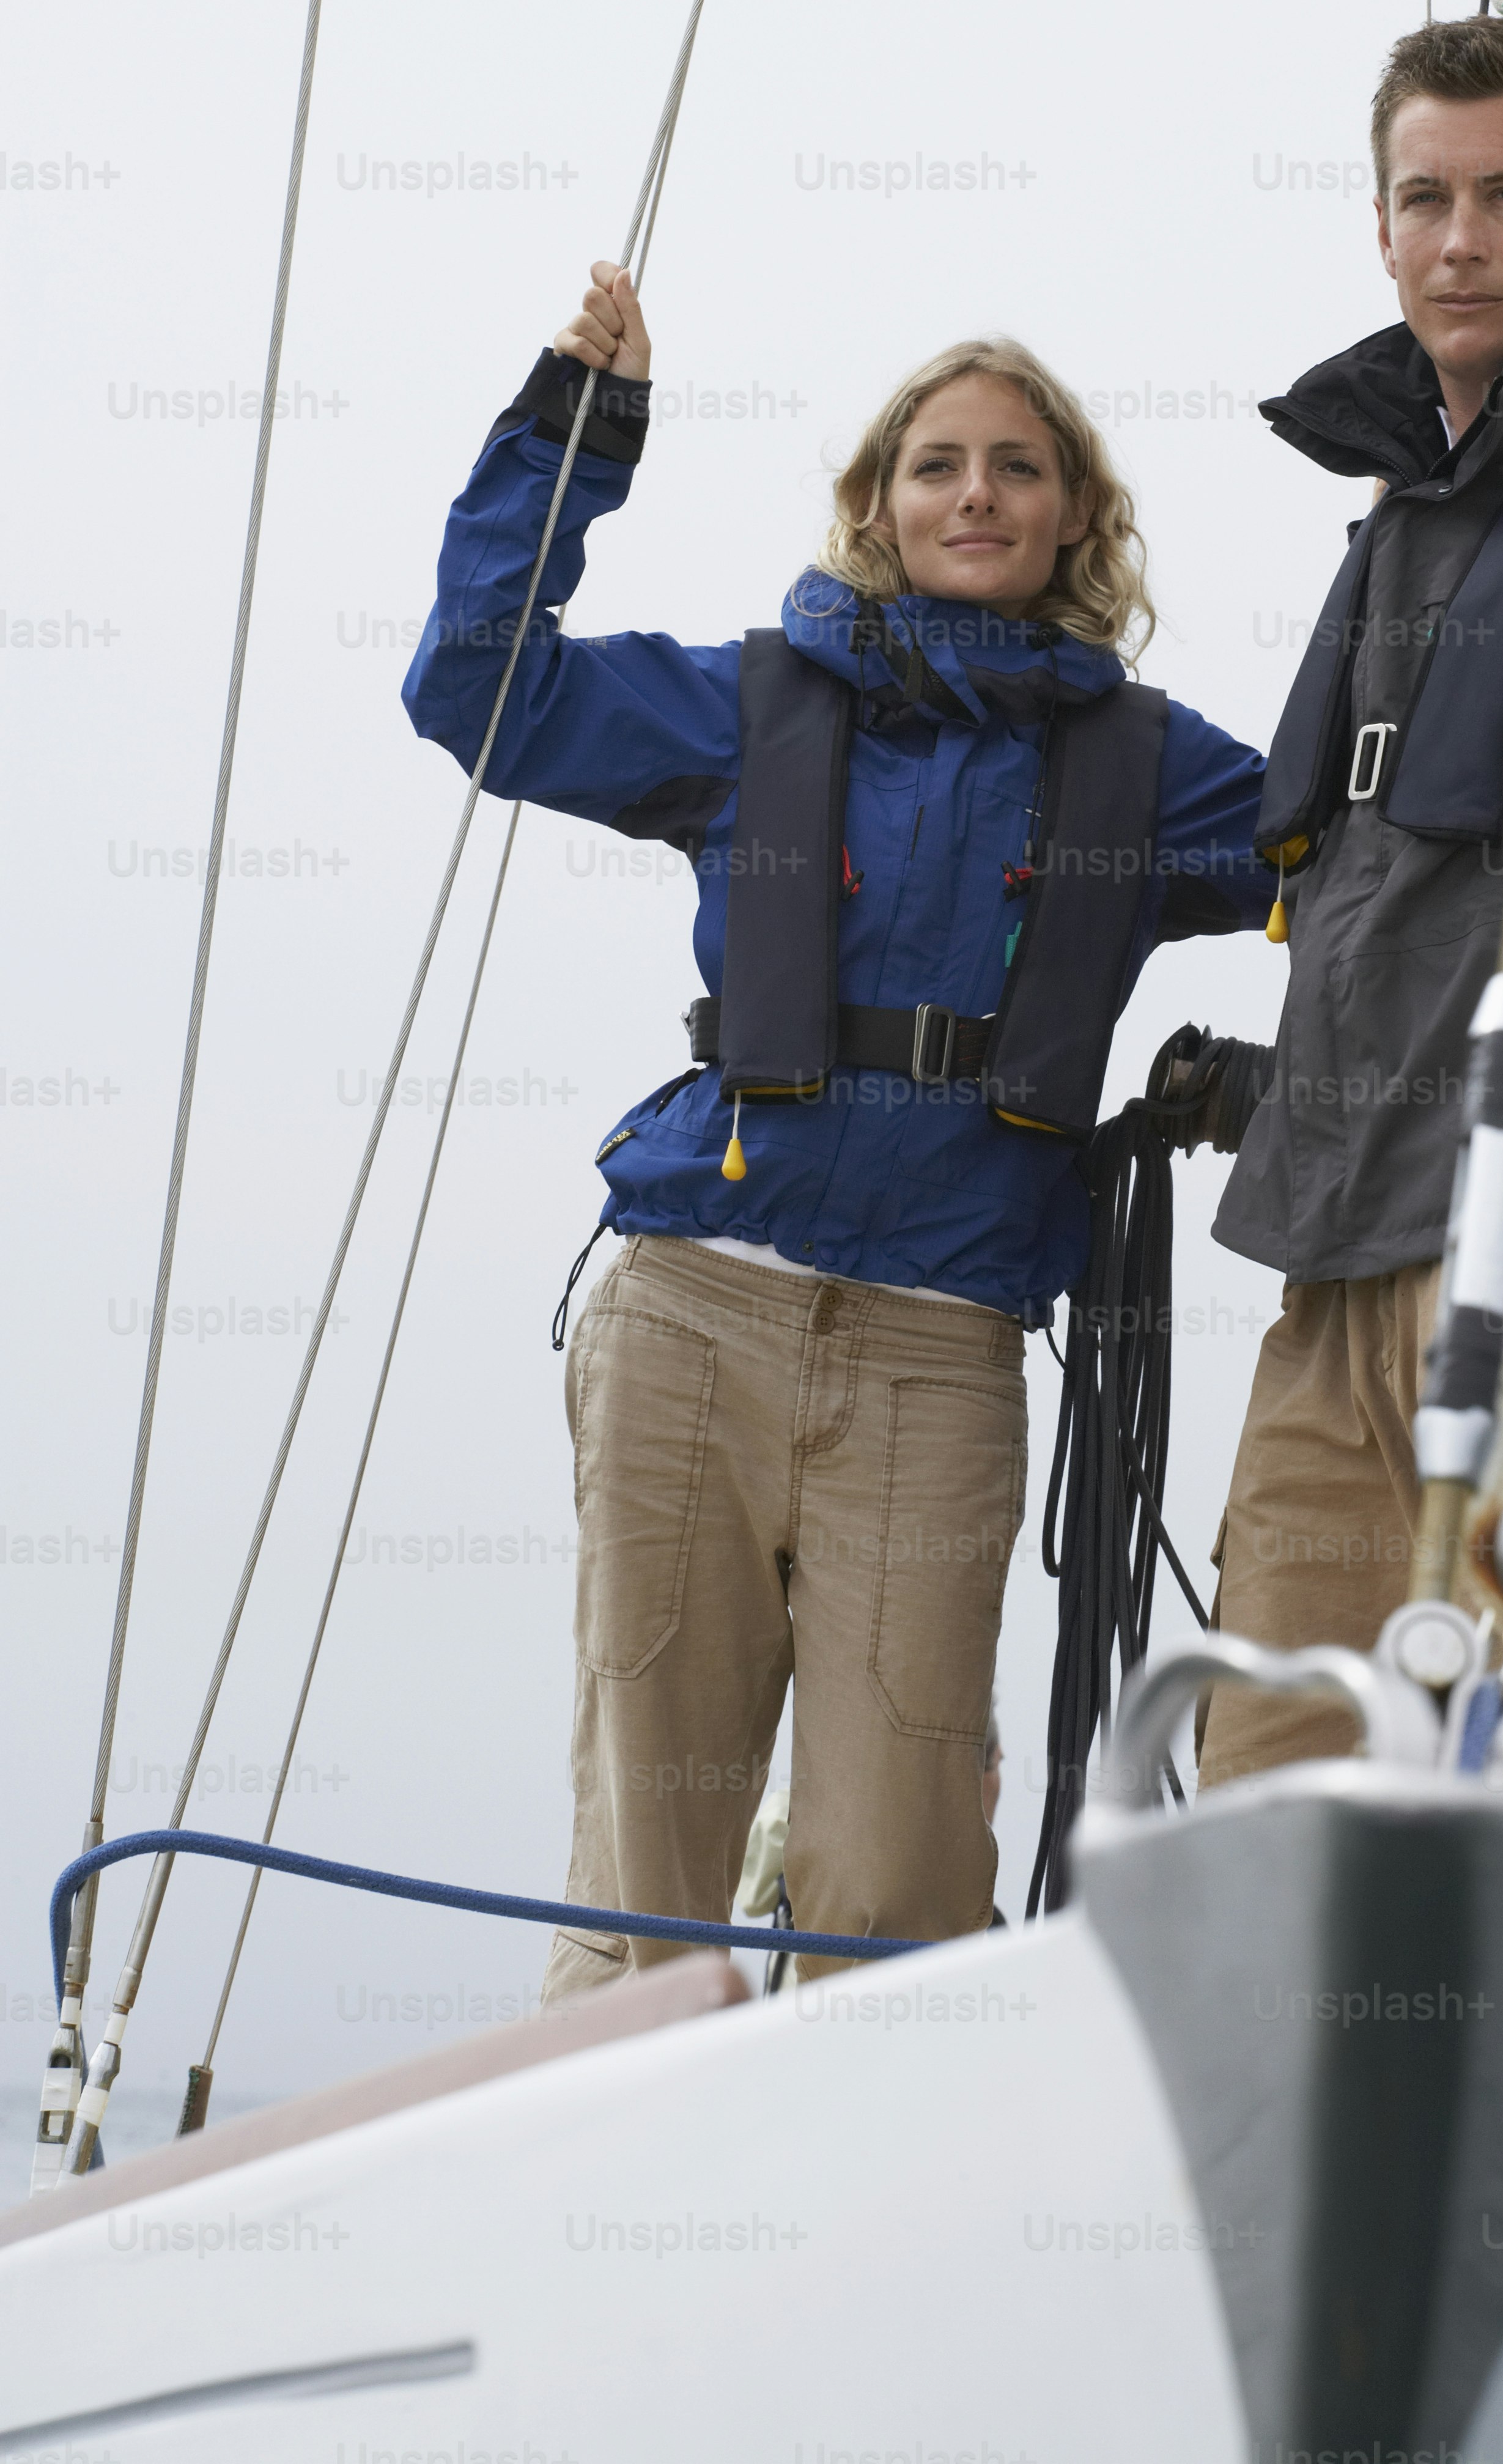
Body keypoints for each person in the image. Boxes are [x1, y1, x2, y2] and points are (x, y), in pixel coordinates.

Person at [403, 266, 1268, 1986]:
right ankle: (611, 2208)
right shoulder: (749, 705)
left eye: (1018, 466)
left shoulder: (1149, 769)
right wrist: (576, 438)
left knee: (897, 1886)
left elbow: (1358, 841)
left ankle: (858, 2223)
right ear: (880, 502)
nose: (976, 493)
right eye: (937, 463)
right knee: (653, 1873)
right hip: (695, 1310)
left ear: (1075, 513)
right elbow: (476, 689)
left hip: (939, 1352)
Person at [1198, 17, 1503, 1837]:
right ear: (1382, 228)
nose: (1461, 240)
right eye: (1426, 199)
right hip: (1334, 1256)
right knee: (1271, 1800)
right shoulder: (1395, 514)